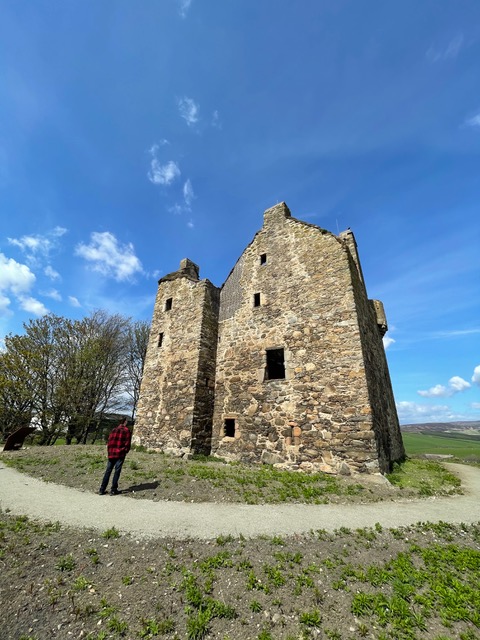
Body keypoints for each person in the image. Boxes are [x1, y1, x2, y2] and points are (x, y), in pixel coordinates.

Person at [99, 417, 132, 495]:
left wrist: (109, 451)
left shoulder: (114, 430)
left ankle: (102, 489)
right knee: (117, 471)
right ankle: (113, 490)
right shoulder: (126, 431)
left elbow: (109, 441)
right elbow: (127, 443)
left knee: (108, 471)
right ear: (125, 422)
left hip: (111, 453)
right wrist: (125, 451)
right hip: (120, 453)